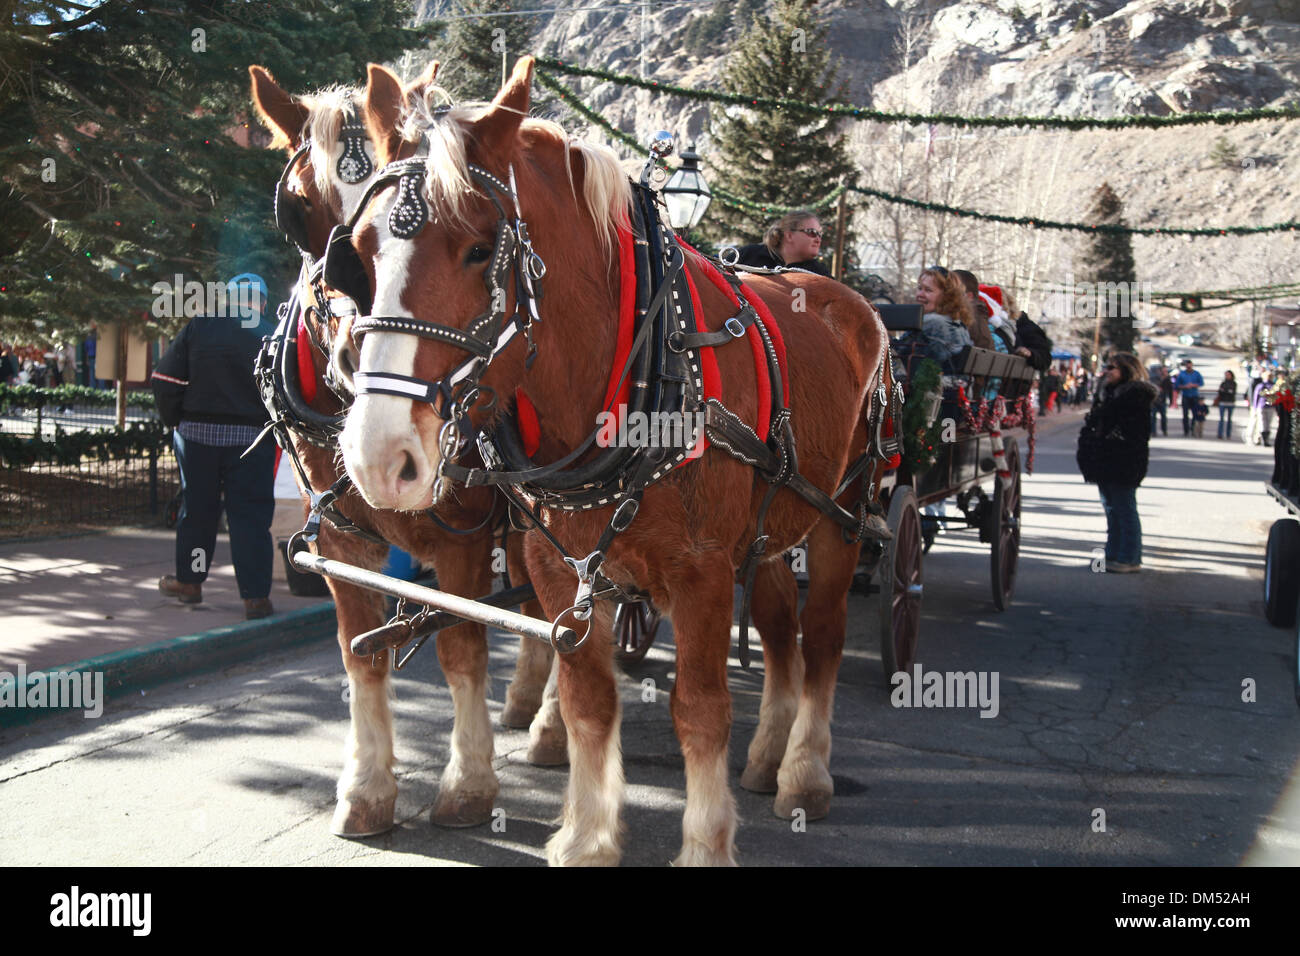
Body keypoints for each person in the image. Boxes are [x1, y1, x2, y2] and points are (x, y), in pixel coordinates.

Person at [151, 274, 277, 620]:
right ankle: (255, 598)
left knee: (198, 513)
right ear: (262, 303)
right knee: (249, 519)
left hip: (197, 439)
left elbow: (164, 380)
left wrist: (177, 421)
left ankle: (190, 583)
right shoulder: (272, 332)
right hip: (252, 441)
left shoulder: (200, 327)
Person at [1076, 352, 1157, 572]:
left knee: (1125, 509)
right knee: (1111, 509)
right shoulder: (1107, 393)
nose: (1107, 371)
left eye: (1112, 367)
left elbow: (1135, 432)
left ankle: (1130, 558)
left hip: (1124, 461)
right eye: (1107, 366)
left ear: (1126, 371)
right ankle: (1112, 554)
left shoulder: (1135, 396)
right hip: (1105, 459)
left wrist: (1112, 436)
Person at [733, 210, 831, 276]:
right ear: (789, 235)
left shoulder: (819, 274)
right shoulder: (751, 255)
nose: (818, 239)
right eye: (812, 232)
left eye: (820, 234)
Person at [1174, 359, 1204, 436]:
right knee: (1185, 414)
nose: (1189, 366)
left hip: (1194, 395)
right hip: (1185, 395)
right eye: (1187, 365)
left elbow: (1201, 383)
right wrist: (1185, 386)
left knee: (1195, 413)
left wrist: (1193, 385)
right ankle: (1186, 430)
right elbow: (1177, 385)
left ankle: (1193, 429)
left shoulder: (1196, 374)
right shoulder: (1182, 374)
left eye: (1190, 365)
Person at [1214, 370, 1237, 439]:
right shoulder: (1223, 383)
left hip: (1230, 403)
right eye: (1226, 375)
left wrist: (1225, 391)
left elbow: (1232, 392)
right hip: (1222, 402)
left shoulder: (1234, 383)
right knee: (1221, 419)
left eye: (1228, 375)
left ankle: (1228, 434)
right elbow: (1220, 392)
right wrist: (1226, 391)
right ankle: (1220, 434)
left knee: (1229, 420)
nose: (1227, 376)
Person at [1149, 365, 1171, 437]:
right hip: (1154, 400)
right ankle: (1153, 431)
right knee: (1153, 417)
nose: (1164, 372)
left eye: (1165, 371)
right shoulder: (1154, 378)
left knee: (1164, 416)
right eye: (1163, 371)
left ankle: (1164, 430)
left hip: (1163, 400)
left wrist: (1171, 400)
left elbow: (1170, 390)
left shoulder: (1167, 379)